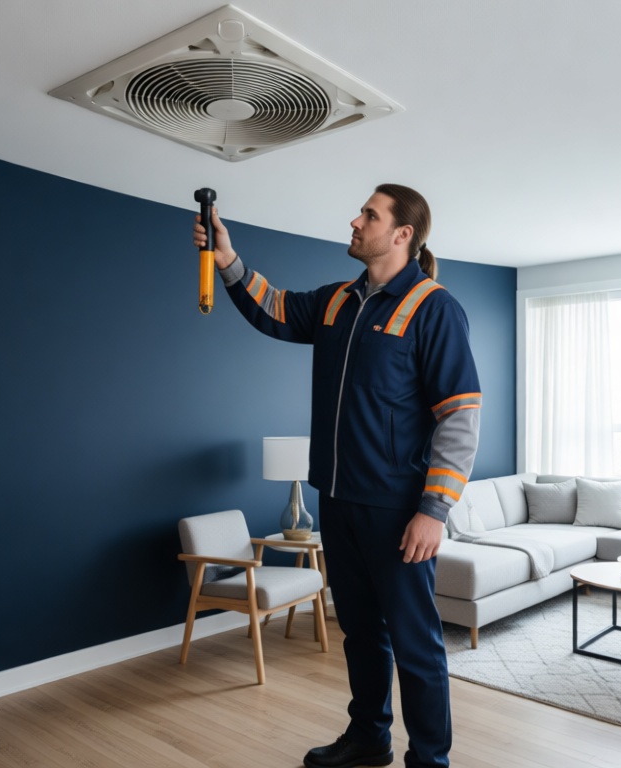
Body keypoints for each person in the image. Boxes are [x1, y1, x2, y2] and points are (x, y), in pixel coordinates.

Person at [192, 184, 480, 768]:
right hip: (338, 500)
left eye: (369, 215)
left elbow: (460, 414)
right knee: (360, 631)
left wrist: (434, 510)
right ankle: (369, 737)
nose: (355, 220)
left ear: (402, 234)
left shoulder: (434, 307)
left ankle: (430, 760)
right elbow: (273, 309)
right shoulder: (337, 302)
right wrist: (227, 258)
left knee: (416, 645)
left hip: (398, 510)